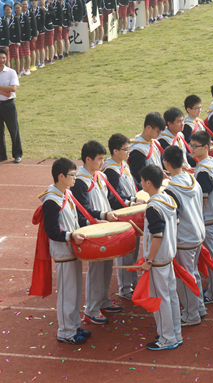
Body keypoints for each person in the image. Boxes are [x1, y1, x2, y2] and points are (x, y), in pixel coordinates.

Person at [38, 158, 92, 345]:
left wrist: (92, 224)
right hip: (63, 252)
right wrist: (71, 236)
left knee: (75, 292)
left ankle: (74, 326)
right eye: (72, 175)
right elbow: (52, 231)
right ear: (61, 176)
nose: (75, 178)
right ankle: (65, 332)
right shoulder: (52, 200)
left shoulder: (66, 194)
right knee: (67, 294)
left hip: (73, 250)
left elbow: (76, 219)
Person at [70, 140, 121, 325]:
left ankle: (103, 300)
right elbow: (83, 209)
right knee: (96, 269)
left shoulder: (98, 175)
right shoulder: (79, 181)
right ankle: (91, 309)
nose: (102, 163)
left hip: (104, 227)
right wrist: (103, 215)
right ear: (88, 159)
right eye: (99, 159)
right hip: (93, 231)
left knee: (107, 266)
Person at [162, 146, 207, 327]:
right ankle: (200, 307)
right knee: (193, 273)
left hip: (184, 238)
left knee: (185, 276)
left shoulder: (171, 189)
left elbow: (173, 218)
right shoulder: (193, 179)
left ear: (166, 163)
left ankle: (191, 314)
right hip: (198, 232)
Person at [139, 164, 182, 350]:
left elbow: (157, 235)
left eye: (141, 181)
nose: (140, 183)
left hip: (158, 261)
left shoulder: (153, 207)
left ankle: (166, 339)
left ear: (148, 183)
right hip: (168, 258)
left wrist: (149, 260)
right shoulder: (168, 199)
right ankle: (175, 334)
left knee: (160, 298)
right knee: (171, 297)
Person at [102, 133, 145, 300]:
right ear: (115, 151)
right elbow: (114, 197)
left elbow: (133, 185)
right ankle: (125, 288)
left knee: (133, 251)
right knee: (126, 252)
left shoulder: (123, 164)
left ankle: (133, 283)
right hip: (123, 215)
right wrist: (130, 203)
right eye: (126, 149)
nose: (129, 152)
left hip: (133, 213)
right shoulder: (111, 170)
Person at [189, 130, 213, 305]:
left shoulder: (203, 171)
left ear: (205, 147)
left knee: (211, 257)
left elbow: (202, 200)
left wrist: (195, 218)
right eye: (191, 145)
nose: (191, 149)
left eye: (195, 146)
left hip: (207, 219)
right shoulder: (211, 163)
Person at [128, 112, 165, 183]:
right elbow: (137, 176)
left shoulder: (155, 143)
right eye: (157, 131)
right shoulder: (138, 150)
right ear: (149, 128)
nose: (159, 134)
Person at [0, 48, 22, 163]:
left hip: (9, 105)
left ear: (6, 59)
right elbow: (8, 91)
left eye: (3, 58)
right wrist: (4, 91)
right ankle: (2, 155)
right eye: (0, 58)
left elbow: (13, 89)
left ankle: (17, 154)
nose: (1, 60)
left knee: (14, 130)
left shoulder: (11, 72)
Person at [16, 2, 32, 75]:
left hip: (25, 38)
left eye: (18, 8)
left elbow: (28, 28)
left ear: (21, 8)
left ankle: (27, 68)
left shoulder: (25, 17)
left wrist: (28, 39)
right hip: (18, 39)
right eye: (16, 8)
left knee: (27, 54)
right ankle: (22, 68)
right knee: (21, 55)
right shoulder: (14, 17)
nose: (17, 9)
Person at [5, 4, 21, 73]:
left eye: (9, 9)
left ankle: (17, 72)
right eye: (6, 10)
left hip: (14, 40)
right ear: (4, 11)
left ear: (11, 10)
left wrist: (18, 41)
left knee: (16, 57)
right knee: (9, 58)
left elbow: (18, 30)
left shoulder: (15, 18)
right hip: (7, 42)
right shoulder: (3, 19)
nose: (8, 11)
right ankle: (11, 72)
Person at [31, 0, 45, 68]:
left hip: (41, 31)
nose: (33, 2)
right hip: (33, 32)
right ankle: (37, 61)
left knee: (41, 47)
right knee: (35, 48)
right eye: (32, 1)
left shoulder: (41, 10)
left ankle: (42, 61)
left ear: (37, 2)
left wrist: (39, 29)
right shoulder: (29, 11)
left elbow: (43, 21)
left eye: (34, 1)